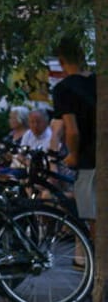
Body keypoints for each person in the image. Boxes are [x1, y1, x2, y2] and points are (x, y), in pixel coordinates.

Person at [54, 38, 97, 230]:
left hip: (88, 158)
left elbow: (72, 130)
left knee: (93, 216)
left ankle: (98, 258)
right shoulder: (98, 81)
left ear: (61, 61)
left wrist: (72, 155)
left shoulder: (64, 89)